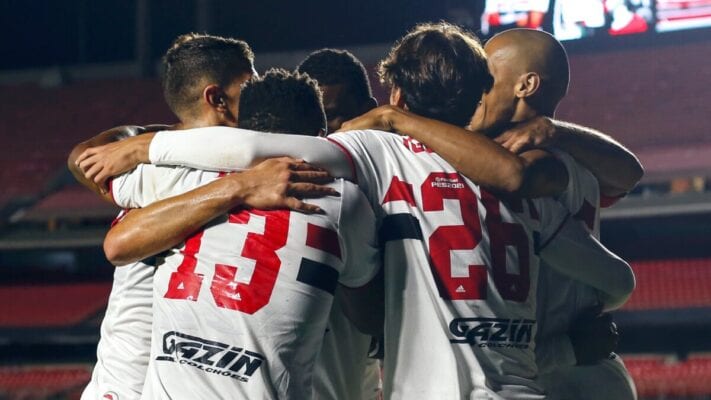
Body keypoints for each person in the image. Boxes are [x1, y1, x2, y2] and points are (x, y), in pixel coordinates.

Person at [75, 23, 633, 399]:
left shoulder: (372, 160)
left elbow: (265, 155)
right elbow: (617, 278)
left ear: (393, 98)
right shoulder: (539, 176)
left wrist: (145, 145)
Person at [341, 28, 640, 399]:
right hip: (560, 363)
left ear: (525, 85)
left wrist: (395, 119)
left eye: (486, 77)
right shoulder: (567, 158)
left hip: (547, 368)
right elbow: (628, 178)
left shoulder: (524, 165)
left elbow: (517, 175)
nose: (477, 90)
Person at [107, 69, 381, 399]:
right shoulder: (344, 201)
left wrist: (145, 143)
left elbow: (86, 165)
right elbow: (369, 317)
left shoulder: (173, 179)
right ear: (319, 134)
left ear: (240, 130)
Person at [66, 33, 261, 400]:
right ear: (216, 98)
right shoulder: (164, 168)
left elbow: (83, 156)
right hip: (132, 383)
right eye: (250, 83)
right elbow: (83, 159)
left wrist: (142, 140)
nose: (261, 92)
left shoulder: (148, 162)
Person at [298, 48, 382, 400]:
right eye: (312, 120)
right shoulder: (280, 176)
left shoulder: (391, 177)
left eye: (333, 117)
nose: (322, 134)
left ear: (368, 111)